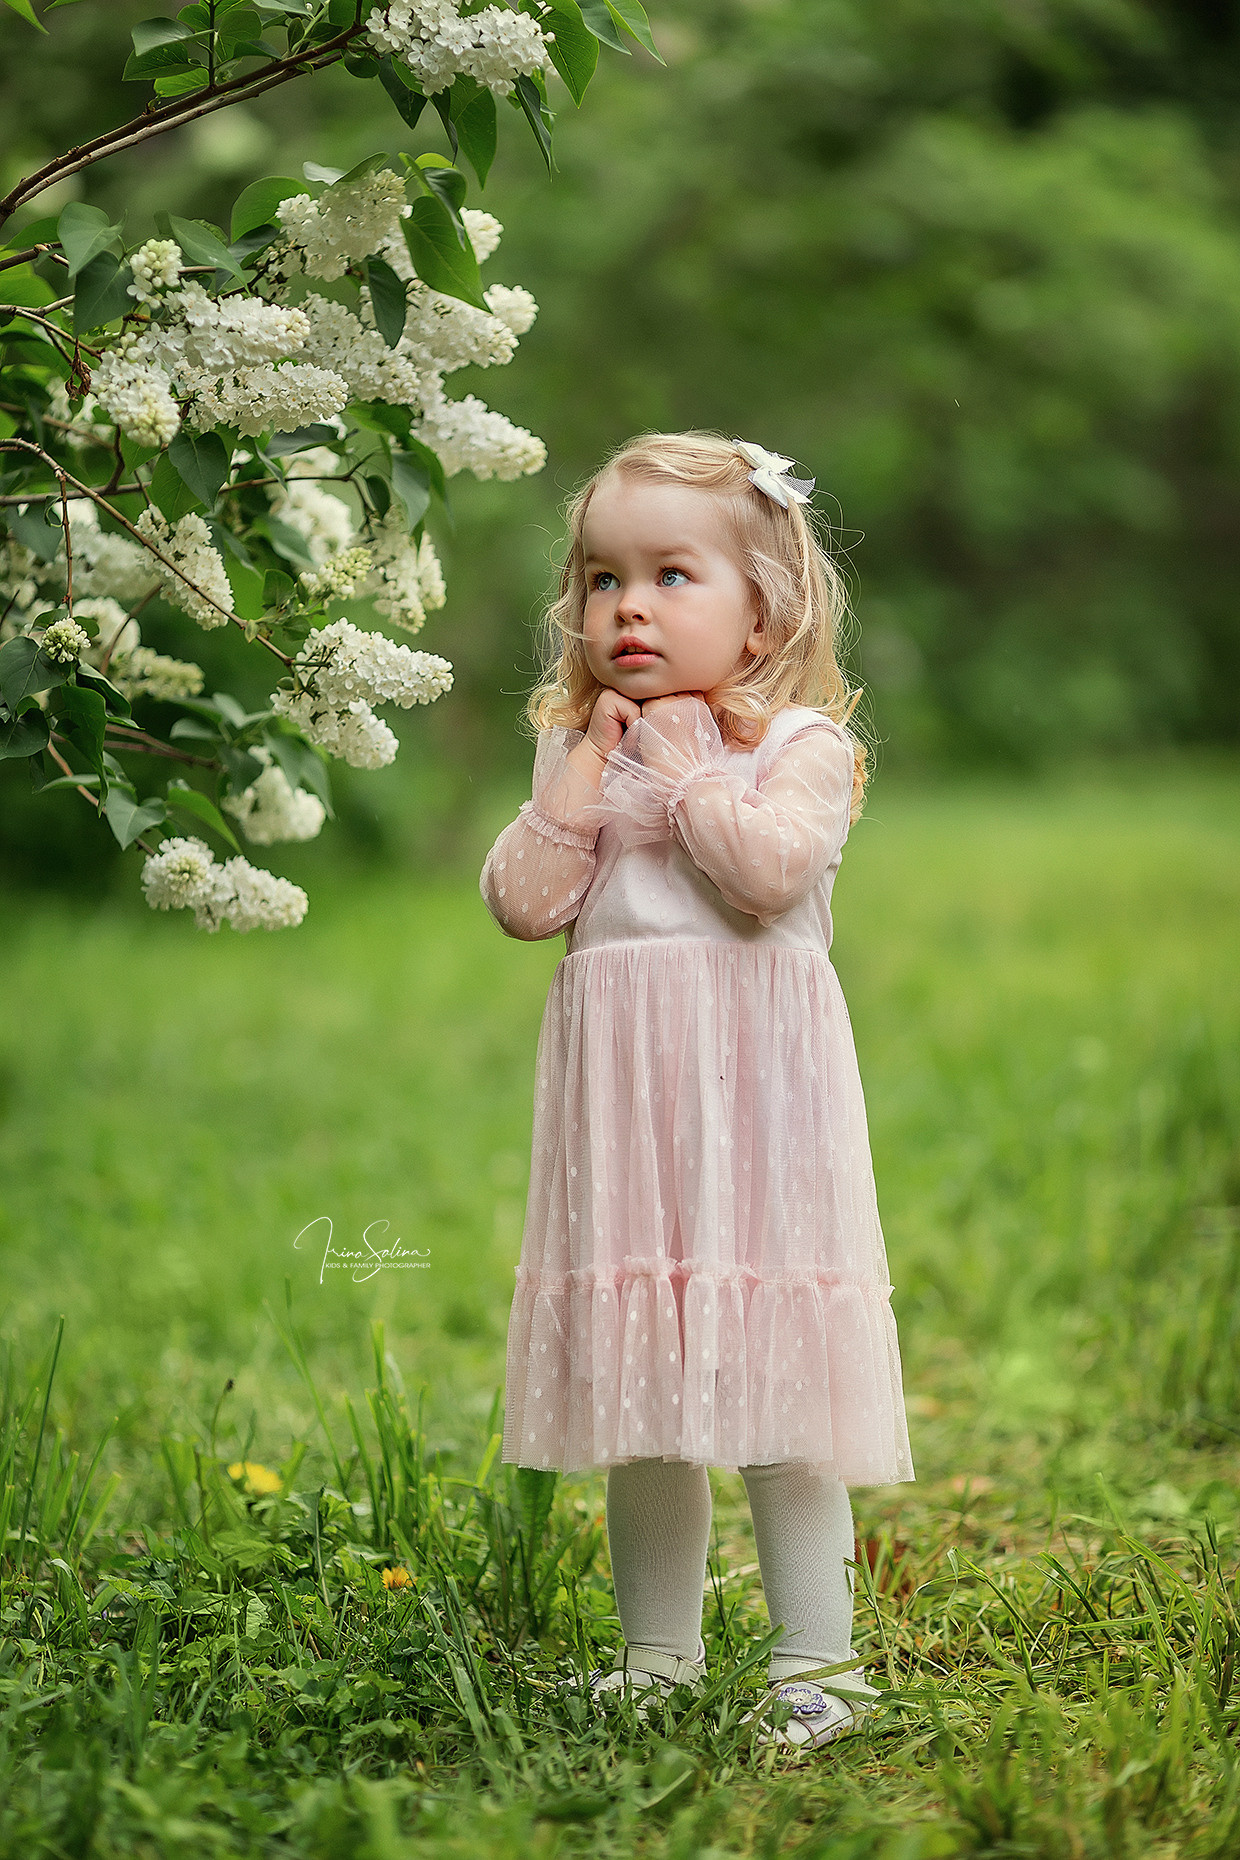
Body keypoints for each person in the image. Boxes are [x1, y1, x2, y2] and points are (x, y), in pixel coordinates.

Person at [479, 431, 914, 1753]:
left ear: (762, 610)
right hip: (632, 1130)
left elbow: (767, 875)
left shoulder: (800, 748)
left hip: (761, 1119)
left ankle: (819, 1665)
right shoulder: (583, 756)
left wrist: (676, 765)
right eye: (603, 579)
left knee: (783, 1395)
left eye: (671, 576)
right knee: (646, 1403)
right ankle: (657, 1657)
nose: (629, 607)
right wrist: (582, 776)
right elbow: (523, 903)